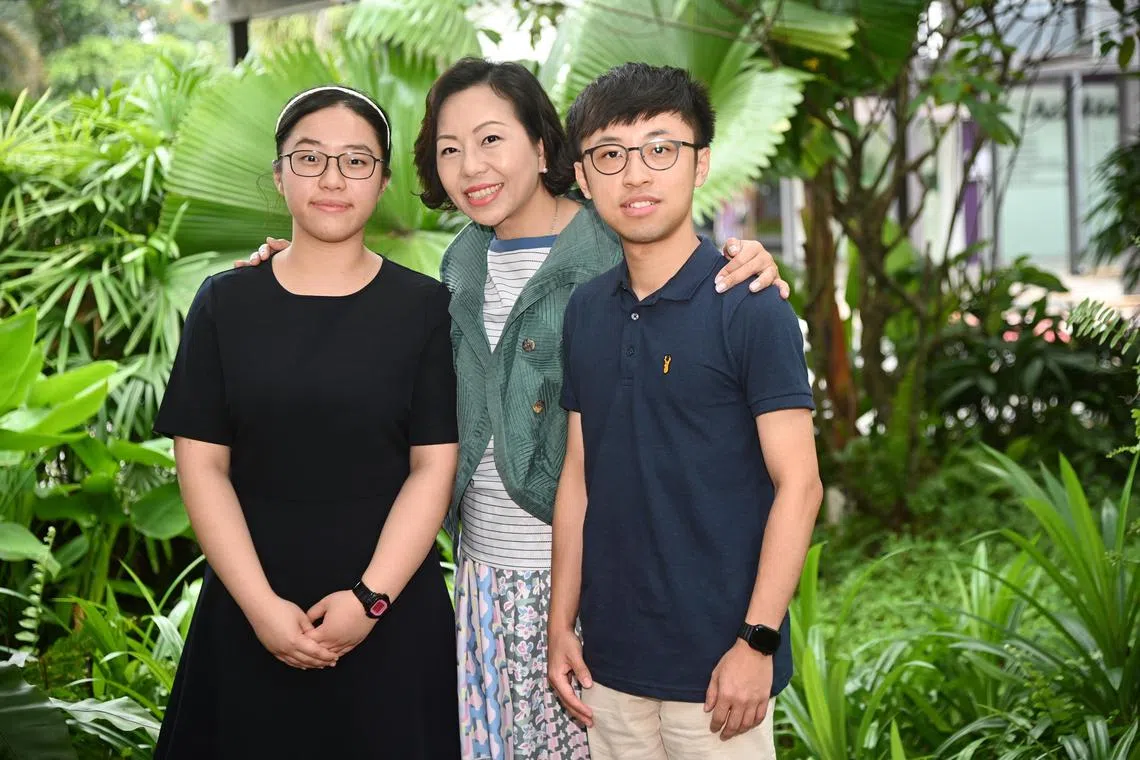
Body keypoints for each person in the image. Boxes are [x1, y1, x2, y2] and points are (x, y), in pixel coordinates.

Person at [241, 58, 789, 760]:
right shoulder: (458, 266)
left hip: (599, 590)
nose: (471, 166)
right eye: (448, 148)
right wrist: (296, 261)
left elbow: (688, 288)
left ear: (542, 146)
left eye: (492, 139)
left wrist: (754, 261)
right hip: (482, 582)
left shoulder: (609, 252)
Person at [154, 85, 461, 759]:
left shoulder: (425, 308)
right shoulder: (224, 303)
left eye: (355, 161)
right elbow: (202, 465)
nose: (332, 179)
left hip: (391, 621)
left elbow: (433, 465)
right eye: (310, 158)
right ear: (279, 174)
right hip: (248, 614)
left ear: (382, 181)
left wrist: (369, 601)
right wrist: (261, 608)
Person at [548, 63, 823, 760]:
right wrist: (560, 626)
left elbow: (801, 484)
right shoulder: (584, 312)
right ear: (583, 177)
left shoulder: (749, 304)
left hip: (721, 672)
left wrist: (757, 642)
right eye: (609, 155)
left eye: (661, 149)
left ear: (700, 164)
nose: (635, 175)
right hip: (612, 665)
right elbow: (578, 479)